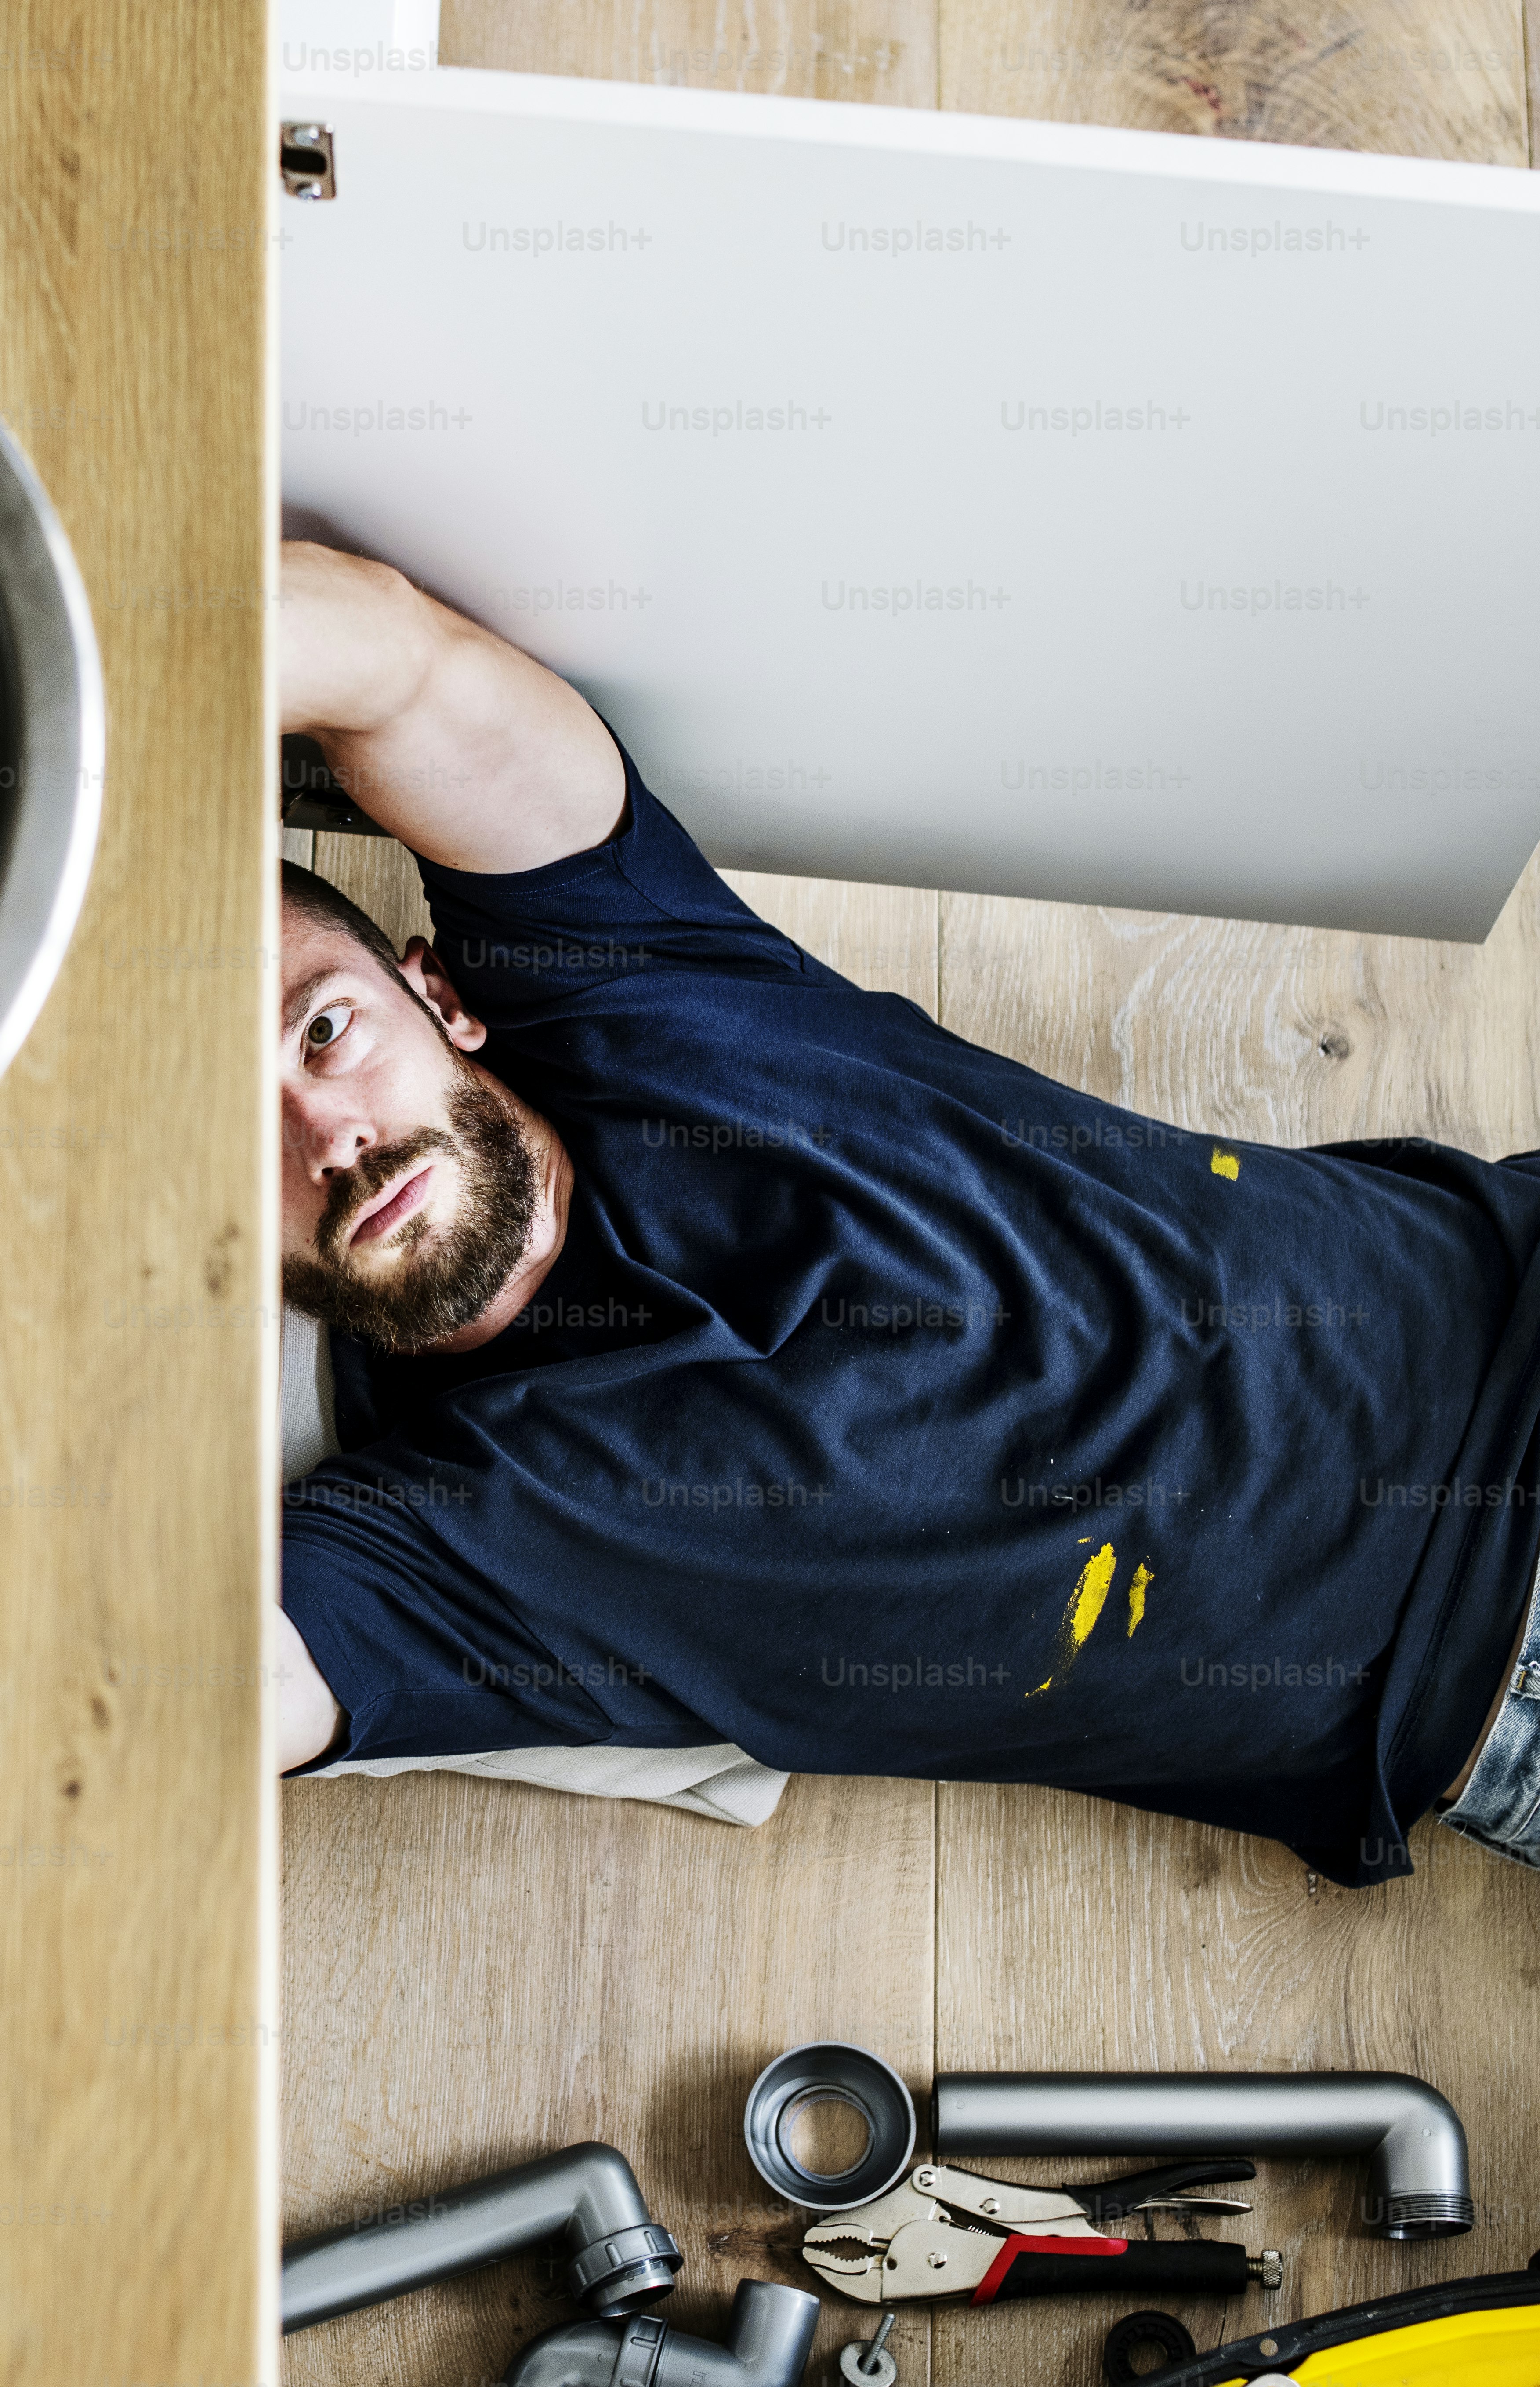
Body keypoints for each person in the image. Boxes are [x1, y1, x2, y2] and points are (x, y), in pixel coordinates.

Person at [271, 538, 1540, 1889]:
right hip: (1486, 1712)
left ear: (441, 996)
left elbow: (391, 664)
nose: (327, 1137)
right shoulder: (438, 1537)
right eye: (234, 1143)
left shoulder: (624, 975)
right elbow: (183, 1681)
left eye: (327, 1029)